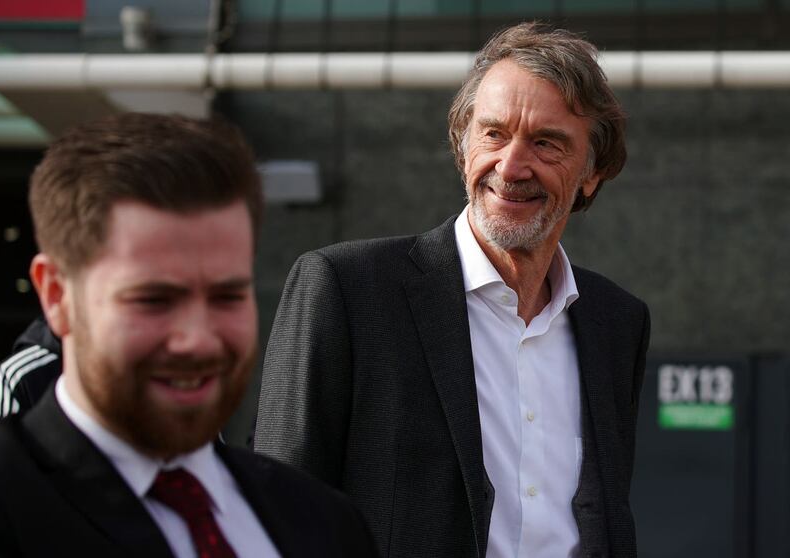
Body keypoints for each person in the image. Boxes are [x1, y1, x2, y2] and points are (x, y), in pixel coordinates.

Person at [254, 22, 650, 558]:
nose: (511, 166)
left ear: (591, 173)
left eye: (546, 143)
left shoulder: (616, 322)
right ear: (462, 146)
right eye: (493, 133)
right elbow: (281, 510)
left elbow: (605, 515)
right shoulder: (347, 291)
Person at [0, 113, 377, 557]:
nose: (198, 339)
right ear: (56, 295)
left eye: (226, 296)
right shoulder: (6, 509)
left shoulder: (323, 522)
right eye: (153, 300)